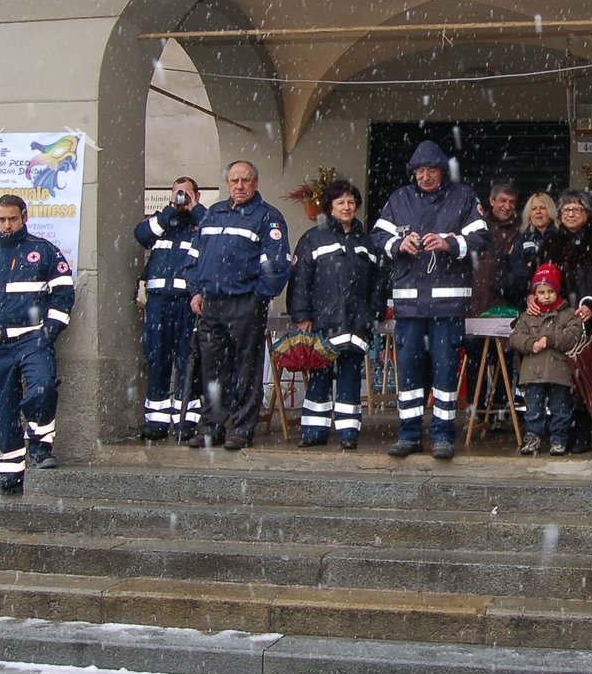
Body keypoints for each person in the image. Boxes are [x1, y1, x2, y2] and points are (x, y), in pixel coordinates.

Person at [372, 140, 491, 460]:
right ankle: (408, 434)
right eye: (420, 171)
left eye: (431, 170)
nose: (425, 176)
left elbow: (482, 237)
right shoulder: (399, 199)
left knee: (445, 372)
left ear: (442, 172)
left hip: (448, 307)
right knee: (408, 373)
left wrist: (450, 242)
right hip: (409, 305)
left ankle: (442, 436)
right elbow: (377, 237)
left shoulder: (463, 197)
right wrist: (399, 243)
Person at [0, 194, 75, 495]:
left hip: (34, 340)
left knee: (43, 387)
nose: (7, 225)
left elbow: (64, 291)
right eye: (1, 220)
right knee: (3, 408)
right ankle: (9, 473)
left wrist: (50, 329)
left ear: (24, 217)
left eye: (12, 219)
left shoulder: (43, 251)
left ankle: (40, 445)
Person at [182, 161, 292, 451]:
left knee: (247, 370)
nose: (239, 186)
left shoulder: (267, 217)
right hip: (211, 305)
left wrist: (257, 296)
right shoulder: (213, 215)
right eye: (234, 180)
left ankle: (242, 429)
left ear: (255, 183)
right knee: (213, 370)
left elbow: (277, 265)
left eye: (245, 180)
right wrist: (195, 291)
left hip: (246, 303)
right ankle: (213, 427)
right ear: (227, 183)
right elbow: (194, 256)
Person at [288, 179, 385, 450]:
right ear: (330, 206)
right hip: (323, 322)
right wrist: (301, 315)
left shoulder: (367, 241)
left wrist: (373, 311)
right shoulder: (313, 238)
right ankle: (314, 432)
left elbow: (379, 281)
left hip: (356, 323)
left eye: (351, 202)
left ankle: (347, 433)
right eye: (341, 202)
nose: (347, 207)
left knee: (350, 378)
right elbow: (300, 280)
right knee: (319, 377)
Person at [535, 189, 592, 452]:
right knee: (562, 380)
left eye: (576, 209)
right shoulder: (551, 243)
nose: (570, 213)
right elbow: (537, 279)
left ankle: (587, 431)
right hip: (559, 322)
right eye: (566, 209)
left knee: (590, 378)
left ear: (588, 213)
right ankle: (561, 433)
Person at [136, 176, 208, 441]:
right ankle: (155, 422)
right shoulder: (162, 222)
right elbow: (141, 235)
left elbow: (213, 230)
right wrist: (169, 212)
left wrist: (193, 209)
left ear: (196, 196)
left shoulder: (202, 222)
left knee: (188, 359)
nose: (181, 198)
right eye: (177, 193)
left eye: (186, 194)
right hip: (158, 303)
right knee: (157, 358)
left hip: (187, 303)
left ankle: (185, 421)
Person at [510, 263, 584, 455]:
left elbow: (573, 335)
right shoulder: (527, 316)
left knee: (561, 408)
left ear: (557, 291)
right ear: (535, 294)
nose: (546, 296)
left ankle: (559, 439)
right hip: (533, 372)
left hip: (558, 371)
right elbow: (516, 337)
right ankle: (533, 437)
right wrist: (530, 344)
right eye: (541, 292)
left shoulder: (567, 314)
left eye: (550, 291)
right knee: (533, 408)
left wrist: (550, 340)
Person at [472, 181, 529, 315]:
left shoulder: (522, 227)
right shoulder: (478, 225)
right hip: (478, 299)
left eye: (512, 202)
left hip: (510, 303)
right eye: (502, 200)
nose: (507, 206)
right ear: (492, 201)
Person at [519, 192, 558, 270]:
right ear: (529, 214)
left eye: (543, 208)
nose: (538, 212)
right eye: (533, 209)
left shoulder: (560, 236)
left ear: (551, 211)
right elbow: (518, 272)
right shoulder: (522, 239)